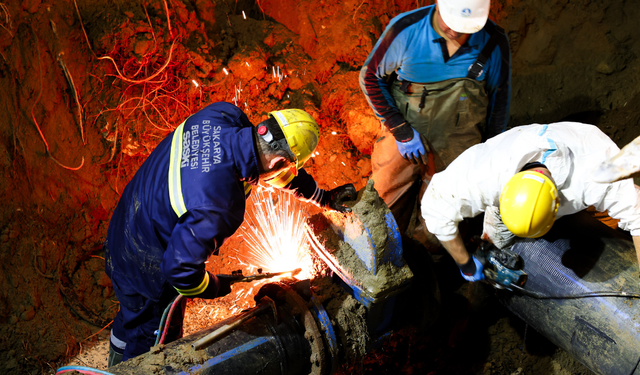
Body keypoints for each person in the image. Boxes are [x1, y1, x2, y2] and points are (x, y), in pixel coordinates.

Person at [104, 102, 357, 365]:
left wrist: (323, 197)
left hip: (125, 224)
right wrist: (213, 285)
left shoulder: (224, 115)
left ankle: (115, 357)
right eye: (285, 166)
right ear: (281, 161)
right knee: (150, 347)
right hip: (144, 266)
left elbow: (271, 167)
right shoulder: (220, 204)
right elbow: (179, 270)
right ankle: (127, 367)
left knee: (131, 317)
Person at [359, 0, 511, 242]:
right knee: (382, 205)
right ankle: (375, 256)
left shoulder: (493, 41)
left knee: (442, 221)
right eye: (449, 24)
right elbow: (370, 77)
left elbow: (499, 102)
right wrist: (401, 130)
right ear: (439, 6)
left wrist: (489, 152)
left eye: (464, 29)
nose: (454, 32)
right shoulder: (407, 29)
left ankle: (430, 270)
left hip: (458, 143)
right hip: (406, 132)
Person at [421, 122, 640, 282]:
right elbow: (435, 208)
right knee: (496, 241)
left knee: (613, 226)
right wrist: (466, 264)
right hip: (513, 165)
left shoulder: (600, 177)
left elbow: (637, 218)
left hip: (583, 157)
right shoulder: (486, 176)